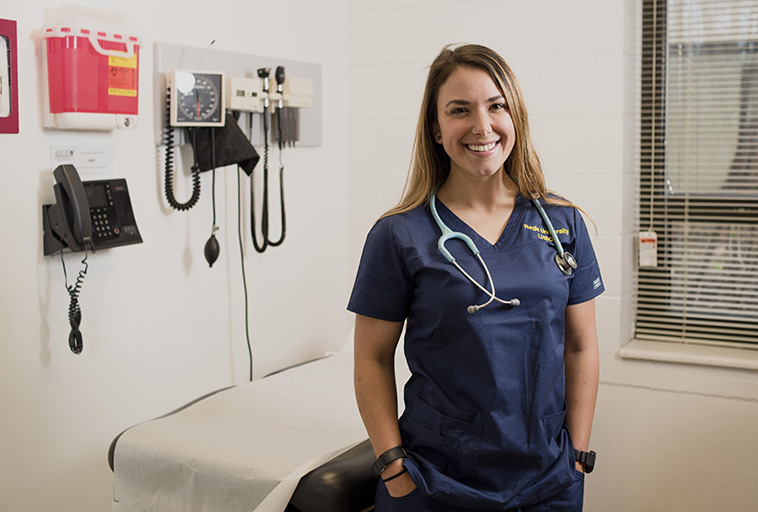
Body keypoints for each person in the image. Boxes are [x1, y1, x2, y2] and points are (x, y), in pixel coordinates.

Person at [348, 43, 603, 512]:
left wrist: (578, 456)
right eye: (459, 110)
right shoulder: (399, 234)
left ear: (516, 117)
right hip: (433, 479)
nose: (481, 126)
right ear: (436, 129)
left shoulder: (563, 224)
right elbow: (371, 358)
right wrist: (392, 466)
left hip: (549, 479)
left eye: (496, 106)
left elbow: (581, 345)